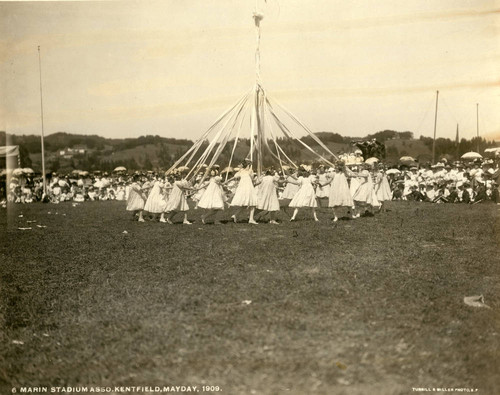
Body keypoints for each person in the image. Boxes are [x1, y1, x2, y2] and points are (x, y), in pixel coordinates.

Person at [228, 160, 258, 224]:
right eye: (249, 165)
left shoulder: (241, 171)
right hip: (248, 188)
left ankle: (235, 215)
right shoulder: (249, 171)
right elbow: (252, 178)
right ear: (247, 165)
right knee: (252, 203)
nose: (250, 166)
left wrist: (226, 181)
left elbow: (235, 177)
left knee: (245, 204)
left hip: (243, 188)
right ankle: (251, 219)